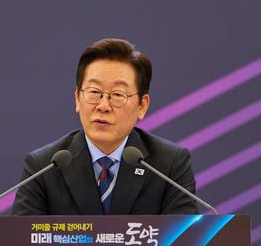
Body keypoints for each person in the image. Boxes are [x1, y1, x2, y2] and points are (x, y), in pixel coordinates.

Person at [12, 38, 198, 215]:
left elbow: (184, 236)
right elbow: (21, 236)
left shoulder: (169, 165)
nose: (103, 106)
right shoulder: (44, 166)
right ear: (77, 99)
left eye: (118, 94)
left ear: (142, 106)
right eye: (94, 92)